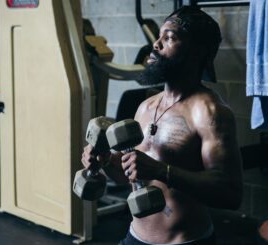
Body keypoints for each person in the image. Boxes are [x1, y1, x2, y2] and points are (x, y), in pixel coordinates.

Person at [81, 6, 243, 245]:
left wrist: (161, 171)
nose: (156, 44)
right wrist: (105, 161)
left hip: (185, 241)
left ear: (197, 52)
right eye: (159, 36)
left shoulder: (210, 112)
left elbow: (230, 194)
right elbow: (130, 177)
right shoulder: (145, 106)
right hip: (134, 237)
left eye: (169, 38)